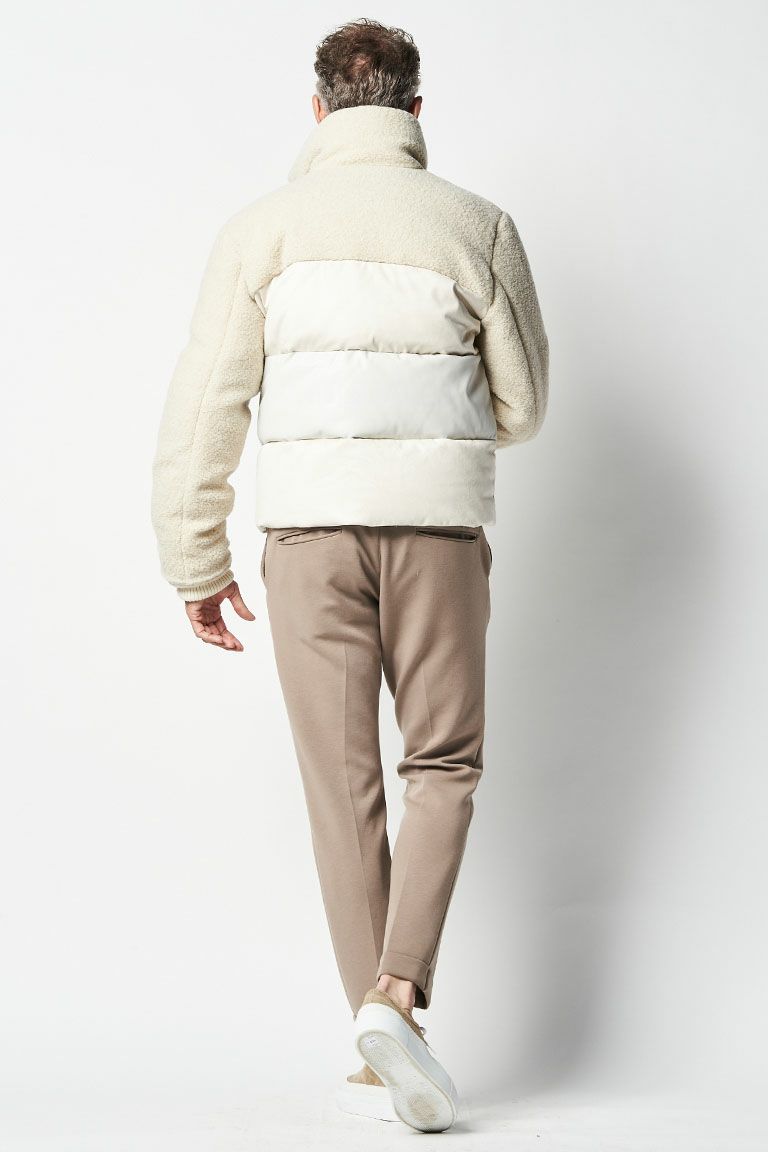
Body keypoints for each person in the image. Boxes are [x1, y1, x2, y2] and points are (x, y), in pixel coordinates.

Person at [150, 17, 549, 1133]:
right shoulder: (477, 225)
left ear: (319, 111)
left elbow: (205, 407)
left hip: (307, 539)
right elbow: (525, 404)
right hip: (437, 533)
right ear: (415, 113)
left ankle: (381, 1049)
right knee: (444, 762)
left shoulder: (260, 231)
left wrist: (194, 558)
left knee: (342, 784)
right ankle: (398, 999)